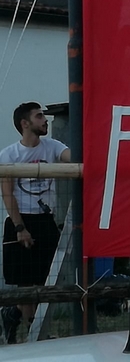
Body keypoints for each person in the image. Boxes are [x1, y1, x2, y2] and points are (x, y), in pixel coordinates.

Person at [0, 103, 70, 344]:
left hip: (45, 218)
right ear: (25, 123)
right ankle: (33, 329)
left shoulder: (52, 146)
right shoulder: (9, 155)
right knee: (25, 281)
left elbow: (72, 156)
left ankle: (15, 316)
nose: (45, 120)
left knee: (44, 279)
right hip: (21, 219)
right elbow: (7, 193)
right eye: (39, 116)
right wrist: (20, 228)